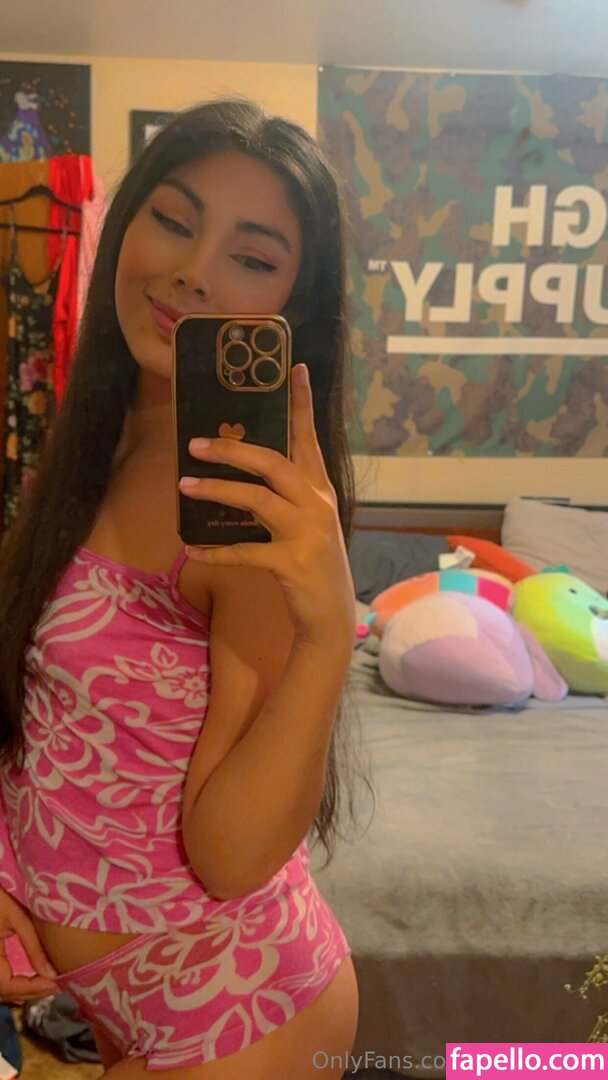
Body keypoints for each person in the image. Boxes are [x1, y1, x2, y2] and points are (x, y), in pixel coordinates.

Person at [0, 98, 364, 1077]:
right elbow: (47, 723)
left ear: (291, 308)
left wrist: (329, 632)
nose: (194, 270)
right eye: (172, 218)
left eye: (250, 257)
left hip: (241, 1013)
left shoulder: (246, 505)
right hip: (120, 1007)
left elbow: (231, 854)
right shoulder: (102, 438)